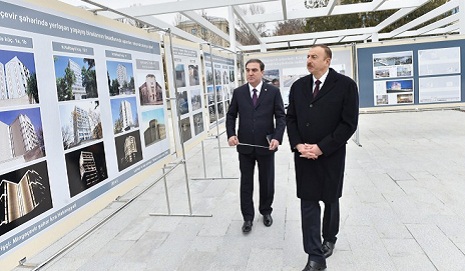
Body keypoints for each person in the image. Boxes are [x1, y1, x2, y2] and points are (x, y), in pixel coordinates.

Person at [286, 45, 359, 271]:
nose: (309, 60)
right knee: (308, 202)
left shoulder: (346, 86)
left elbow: (348, 124)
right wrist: (298, 145)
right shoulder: (298, 86)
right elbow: (291, 119)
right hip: (303, 155)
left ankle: (330, 237)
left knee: (330, 198)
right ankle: (315, 256)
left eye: (314, 57)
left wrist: (321, 148)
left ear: (327, 61)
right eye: (307, 56)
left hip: (331, 155)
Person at [226, 58, 286, 233]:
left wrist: (277, 137)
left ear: (262, 72)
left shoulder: (273, 92)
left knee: (266, 181)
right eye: (247, 70)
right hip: (244, 146)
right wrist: (231, 134)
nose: (250, 73)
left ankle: (266, 211)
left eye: (254, 70)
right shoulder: (239, 92)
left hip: (266, 146)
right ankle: (247, 217)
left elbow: (281, 117)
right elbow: (231, 115)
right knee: (246, 182)